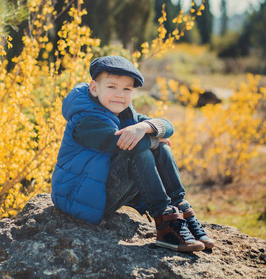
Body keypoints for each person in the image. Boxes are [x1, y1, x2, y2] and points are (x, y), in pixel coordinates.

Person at [51, 55, 215, 252]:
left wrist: (145, 126)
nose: (120, 94)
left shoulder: (124, 112)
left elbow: (168, 127)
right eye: (112, 87)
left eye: (127, 89)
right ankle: (164, 222)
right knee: (139, 150)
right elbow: (128, 146)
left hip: (99, 187)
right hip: (78, 195)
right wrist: (154, 138)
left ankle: (180, 209)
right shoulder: (86, 121)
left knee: (161, 147)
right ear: (94, 88)